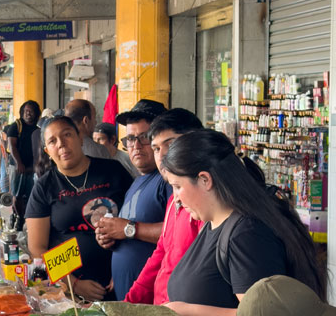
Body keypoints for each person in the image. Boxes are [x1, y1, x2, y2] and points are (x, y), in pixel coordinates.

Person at [161, 129, 324, 316]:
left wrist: (190, 311)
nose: (176, 199)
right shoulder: (215, 223)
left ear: (204, 180)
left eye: (178, 187)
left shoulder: (246, 233)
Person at [25, 115, 131, 301]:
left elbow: (136, 221)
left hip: (122, 281)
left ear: (80, 139)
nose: (61, 144)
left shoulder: (113, 171)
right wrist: (73, 284)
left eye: (67, 135)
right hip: (70, 294)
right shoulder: (44, 187)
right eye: (52, 141)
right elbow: (37, 248)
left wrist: (124, 267)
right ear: (47, 151)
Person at [125, 109, 204, 304]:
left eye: (170, 144)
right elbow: (161, 253)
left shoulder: (204, 204)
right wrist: (129, 304)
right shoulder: (173, 201)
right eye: (156, 149)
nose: (162, 155)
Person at [96, 103, 171, 300]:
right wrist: (111, 237)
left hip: (156, 301)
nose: (136, 145)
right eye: (130, 138)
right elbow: (130, 232)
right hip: (129, 299)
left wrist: (129, 229)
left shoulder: (169, 180)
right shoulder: (138, 181)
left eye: (144, 138)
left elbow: (178, 232)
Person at [5, 100, 41, 217]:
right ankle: (19, 219)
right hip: (17, 167)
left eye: (31, 111)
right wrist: (19, 163)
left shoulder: (37, 128)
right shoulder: (16, 126)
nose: (28, 114)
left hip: (31, 167)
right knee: (17, 194)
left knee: (31, 194)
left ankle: (27, 218)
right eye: (26, 111)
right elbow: (12, 146)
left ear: (36, 113)